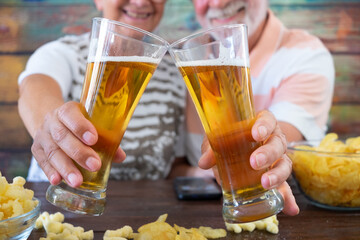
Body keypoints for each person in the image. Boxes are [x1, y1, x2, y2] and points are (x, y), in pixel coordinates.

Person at [18, 0, 299, 215]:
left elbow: (174, 168)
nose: (141, 1)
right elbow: (33, 90)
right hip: (53, 214)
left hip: (144, 218)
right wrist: (50, 121)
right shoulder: (64, 53)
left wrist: (236, 167)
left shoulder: (179, 71)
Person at [184, 0, 334, 215]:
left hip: (279, 212)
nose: (218, 2)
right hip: (198, 214)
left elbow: (278, 142)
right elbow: (176, 164)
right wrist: (194, 172)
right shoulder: (187, 56)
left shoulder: (306, 54)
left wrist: (267, 149)